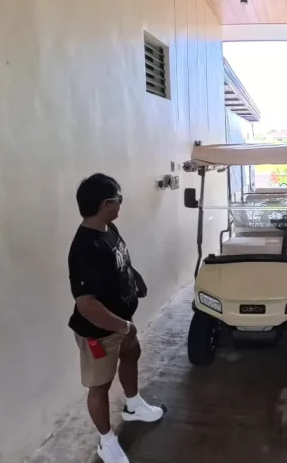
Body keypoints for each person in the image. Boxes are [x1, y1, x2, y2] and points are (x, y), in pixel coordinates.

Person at [68, 174, 164, 463]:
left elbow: (121, 260)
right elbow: (87, 304)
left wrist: (136, 279)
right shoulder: (85, 248)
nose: (121, 204)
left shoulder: (108, 228)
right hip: (100, 331)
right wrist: (123, 327)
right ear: (106, 204)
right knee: (100, 386)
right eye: (119, 199)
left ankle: (133, 405)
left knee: (132, 354)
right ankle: (106, 443)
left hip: (122, 322)